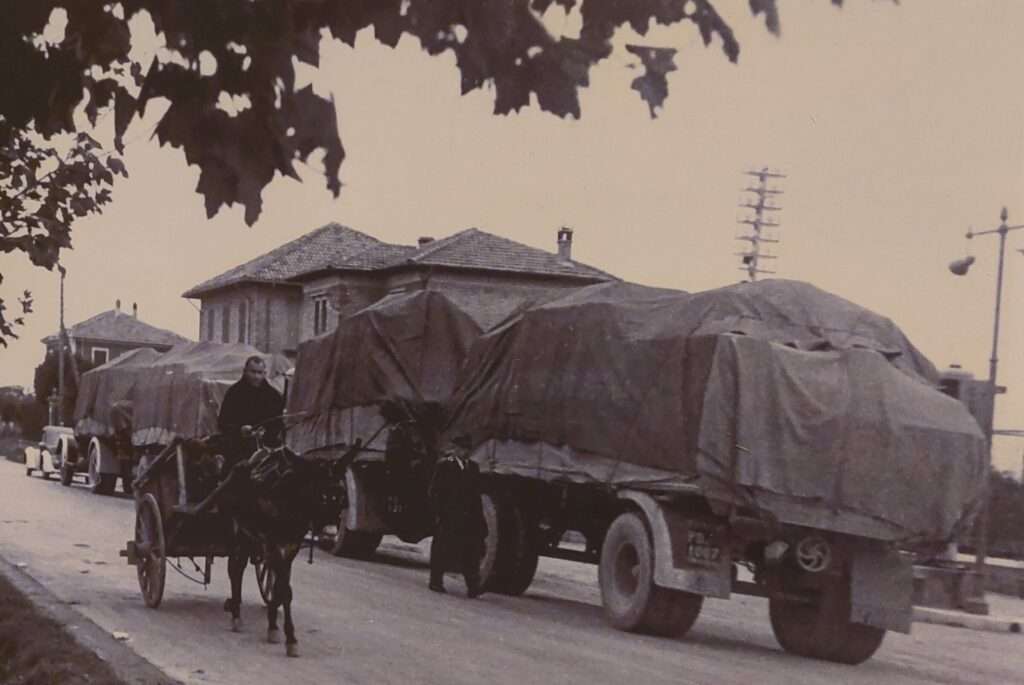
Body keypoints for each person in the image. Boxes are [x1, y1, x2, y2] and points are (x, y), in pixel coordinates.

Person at [428, 434, 487, 597]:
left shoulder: (473, 468)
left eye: (468, 449)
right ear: (455, 449)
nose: (465, 452)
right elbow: (435, 492)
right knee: (442, 549)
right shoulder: (444, 466)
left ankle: (473, 586)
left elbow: (476, 496)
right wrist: (439, 514)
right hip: (449, 516)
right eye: (462, 448)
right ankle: (436, 581)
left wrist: (480, 520)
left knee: (470, 551)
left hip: (468, 518)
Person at [217, 356, 285, 469]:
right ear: (245, 371)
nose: (256, 377)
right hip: (238, 447)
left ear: (265, 373)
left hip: (267, 447)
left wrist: (267, 432)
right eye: (253, 372)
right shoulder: (234, 393)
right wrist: (240, 430)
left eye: (260, 373)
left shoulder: (273, 396)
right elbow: (223, 422)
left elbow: (278, 423)